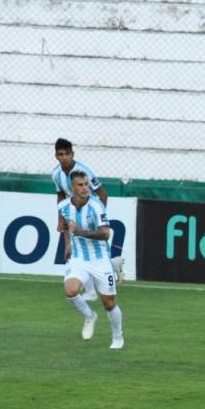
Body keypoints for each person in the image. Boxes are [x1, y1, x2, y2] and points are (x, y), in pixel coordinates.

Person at [59, 170, 125, 350]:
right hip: (79, 258)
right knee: (70, 291)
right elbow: (65, 226)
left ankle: (118, 337)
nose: (85, 188)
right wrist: (68, 245)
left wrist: (80, 232)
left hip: (100, 259)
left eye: (87, 184)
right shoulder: (64, 206)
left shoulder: (96, 206)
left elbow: (105, 234)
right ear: (72, 188)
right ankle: (89, 315)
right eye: (80, 185)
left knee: (109, 303)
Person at [51, 138, 124, 294]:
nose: (64, 157)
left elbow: (102, 192)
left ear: (72, 154)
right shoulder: (56, 174)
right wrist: (59, 218)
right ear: (56, 156)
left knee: (91, 250)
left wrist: (99, 215)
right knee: (77, 251)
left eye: (67, 154)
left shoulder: (83, 171)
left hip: (89, 211)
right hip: (73, 210)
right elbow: (61, 195)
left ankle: (93, 285)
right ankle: (97, 281)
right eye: (60, 154)